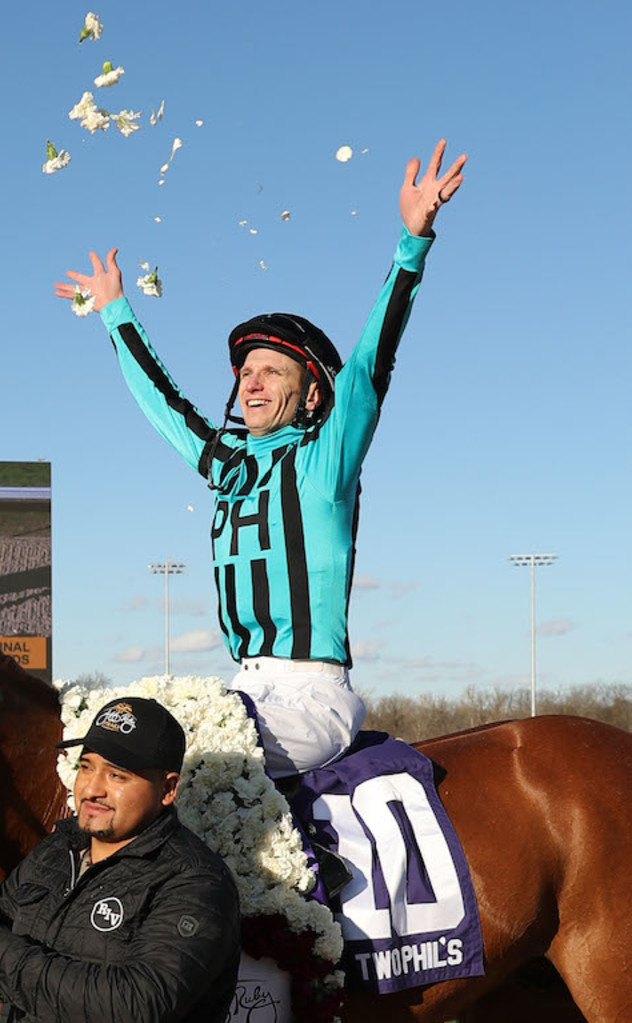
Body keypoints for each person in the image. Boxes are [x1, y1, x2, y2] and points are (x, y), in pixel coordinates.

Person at [55, 140, 466, 777]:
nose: (250, 382)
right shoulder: (230, 464)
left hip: (312, 697)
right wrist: (115, 313)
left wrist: (411, 244)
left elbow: (368, 363)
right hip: (243, 687)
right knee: (104, 751)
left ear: (310, 396)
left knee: (189, 766)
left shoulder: (326, 456)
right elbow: (166, 404)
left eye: (272, 371)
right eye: (245, 371)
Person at [0, 697, 241, 1023]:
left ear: (168, 789)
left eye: (117, 776)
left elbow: (138, 1005)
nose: (92, 789)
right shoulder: (60, 850)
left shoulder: (196, 883)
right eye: (86, 767)